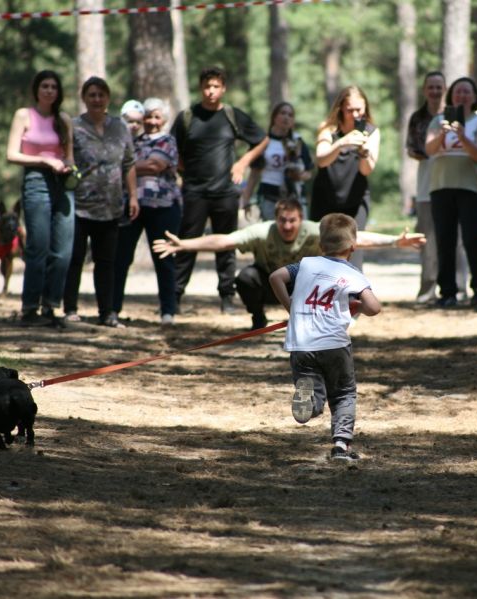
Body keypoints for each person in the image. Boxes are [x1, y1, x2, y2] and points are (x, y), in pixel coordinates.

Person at [152, 198, 423, 329]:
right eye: (283, 220)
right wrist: (184, 244)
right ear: (276, 218)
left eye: (292, 220)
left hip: (304, 288)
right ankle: (258, 318)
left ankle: (320, 321)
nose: (287, 225)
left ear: (300, 218)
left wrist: (394, 242)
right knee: (245, 277)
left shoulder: (313, 229)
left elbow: (354, 238)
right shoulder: (262, 231)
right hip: (274, 283)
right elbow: (223, 241)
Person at [268, 213, 382, 462]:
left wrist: (291, 307)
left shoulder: (306, 265)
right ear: (353, 246)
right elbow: (374, 307)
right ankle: (341, 446)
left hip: (301, 343)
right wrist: (357, 305)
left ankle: (310, 401)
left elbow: (275, 277)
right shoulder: (353, 274)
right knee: (343, 393)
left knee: (310, 384)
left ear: (320, 245)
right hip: (334, 344)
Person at [170, 66, 267, 314]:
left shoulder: (232, 116)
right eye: (206, 86)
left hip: (225, 192)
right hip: (195, 192)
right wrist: (184, 175)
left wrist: (242, 163)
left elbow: (261, 139)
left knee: (226, 246)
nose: (211, 91)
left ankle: (226, 298)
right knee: (186, 245)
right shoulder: (187, 117)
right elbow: (174, 150)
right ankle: (175, 297)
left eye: (215, 86)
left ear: (223, 89)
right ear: (200, 88)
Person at [63, 77, 138, 328]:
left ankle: (107, 312)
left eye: (101, 95)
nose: (97, 99)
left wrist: (133, 195)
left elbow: (128, 163)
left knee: (107, 263)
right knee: (74, 259)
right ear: (84, 98)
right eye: (92, 95)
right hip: (80, 205)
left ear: (108, 98)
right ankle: (70, 309)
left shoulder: (120, 127)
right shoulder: (73, 126)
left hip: (112, 206)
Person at [6, 70, 74, 326]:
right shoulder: (24, 115)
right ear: (36, 89)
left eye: (53, 87)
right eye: (44, 86)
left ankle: (51, 306)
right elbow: (11, 154)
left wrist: (66, 165)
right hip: (35, 180)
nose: (49, 91)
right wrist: (45, 160)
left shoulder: (64, 119)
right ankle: (30, 307)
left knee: (63, 250)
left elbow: (70, 156)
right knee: (39, 246)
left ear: (59, 92)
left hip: (62, 184)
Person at [113, 97, 182, 326]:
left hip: (164, 207)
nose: (152, 121)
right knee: (121, 258)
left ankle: (168, 311)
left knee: (163, 258)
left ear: (164, 120)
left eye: (157, 116)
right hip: (132, 205)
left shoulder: (168, 141)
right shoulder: (133, 140)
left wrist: (125, 168)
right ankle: (113, 309)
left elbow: (155, 165)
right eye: (149, 116)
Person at [425, 76, 477, 308]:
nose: (462, 95)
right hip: (441, 187)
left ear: (474, 97)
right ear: (451, 95)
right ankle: (448, 292)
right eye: (458, 92)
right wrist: (444, 134)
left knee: (473, 239)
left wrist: (462, 135)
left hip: (472, 189)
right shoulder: (437, 121)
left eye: (467, 92)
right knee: (445, 241)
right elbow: (430, 149)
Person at [406, 71, 468, 304]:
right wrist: (429, 150)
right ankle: (428, 289)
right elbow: (412, 148)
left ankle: (459, 288)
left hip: (453, 184)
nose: (434, 91)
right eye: (430, 87)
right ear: (424, 90)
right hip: (426, 187)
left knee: (456, 239)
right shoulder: (417, 118)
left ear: (445, 89)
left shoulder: (455, 114)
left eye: (438, 87)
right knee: (428, 241)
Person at [310, 86, 381, 271]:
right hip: (325, 197)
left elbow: (367, 170)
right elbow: (322, 160)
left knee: (353, 251)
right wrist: (342, 143)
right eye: (350, 110)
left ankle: (352, 296)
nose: (356, 114)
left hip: (355, 200)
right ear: (341, 108)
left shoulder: (371, 132)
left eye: (360, 109)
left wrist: (364, 152)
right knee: (323, 250)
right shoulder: (328, 129)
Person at [241, 102, 314, 221]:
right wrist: (245, 200)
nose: (286, 117)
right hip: (270, 196)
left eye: (290, 115)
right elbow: (254, 174)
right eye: (283, 113)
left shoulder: (297, 141)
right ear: (274, 117)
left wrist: (299, 176)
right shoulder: (263, 141)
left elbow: (308, 172)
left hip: (295, 196)